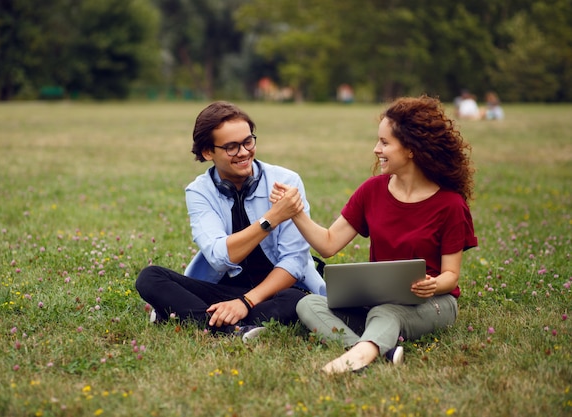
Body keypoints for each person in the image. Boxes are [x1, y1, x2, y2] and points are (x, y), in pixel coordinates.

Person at [270, 95, 478, 373]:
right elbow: (328, 244)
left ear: (411, 149)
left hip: (434, 303)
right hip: (378, 301)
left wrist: (434, 285)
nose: (376, 149)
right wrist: (295, 212)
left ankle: (353, 359)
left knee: (385, 313)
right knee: (308, 303)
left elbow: (451, 276)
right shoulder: (372, 191)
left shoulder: (450, 205)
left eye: (385, 142)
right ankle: (377, 350)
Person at [135, 101, 326, 340]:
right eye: (232, 147)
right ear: (207, 152)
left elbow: (293, 263)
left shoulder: (286, 181)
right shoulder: (199, 191)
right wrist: (271, 219)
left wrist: (246, 302)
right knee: (150, 277)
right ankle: (230, 329)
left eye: (248, 141)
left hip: (276, 291)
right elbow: (219, 256)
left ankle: (186, 316)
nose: (244, 152)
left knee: (297, 302)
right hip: (224, 292)